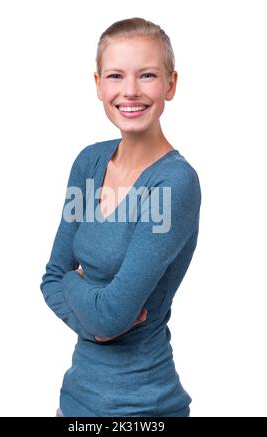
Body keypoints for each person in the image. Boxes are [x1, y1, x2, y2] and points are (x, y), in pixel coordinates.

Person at [40, 17, 201, 417]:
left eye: (147, 75)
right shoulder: (89, 165)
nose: (130, 91)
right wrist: (95, 318)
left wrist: (79, 291)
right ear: (98, 85)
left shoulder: (172, 185)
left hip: (144, 409)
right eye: (116, 75)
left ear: (170, 84)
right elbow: (51, 277)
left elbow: (110, 316)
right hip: (75, 402)